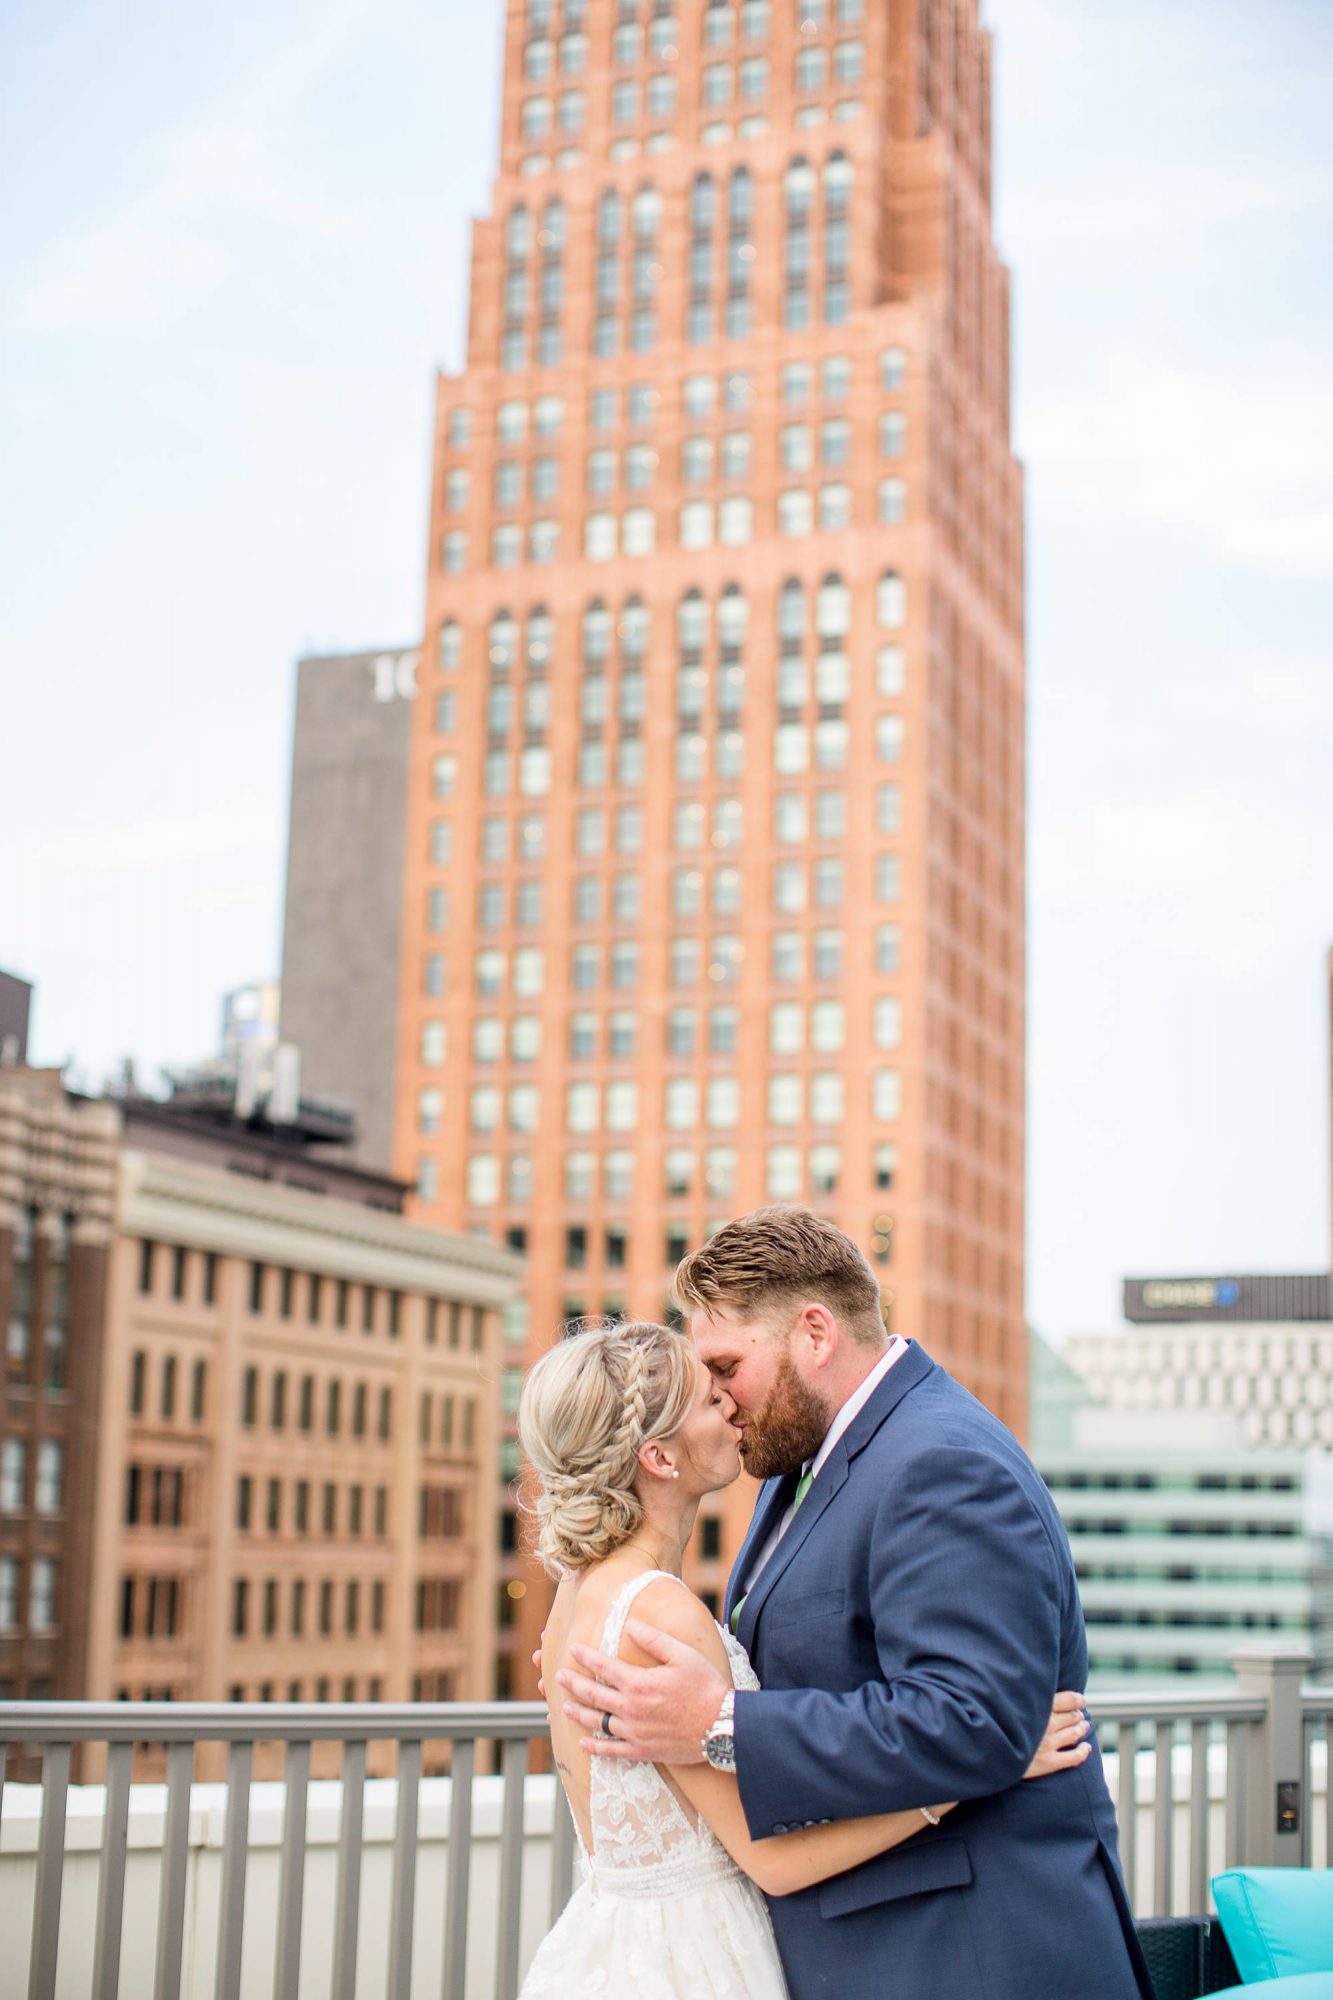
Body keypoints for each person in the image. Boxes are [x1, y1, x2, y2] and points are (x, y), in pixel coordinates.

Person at [557, 1209, 1155, 2000]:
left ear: (814, 1332)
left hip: (970, 1956)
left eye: (728, 1365)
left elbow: (975, 1719)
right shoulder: (795, 1465)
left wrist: (719, 1724)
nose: (722, 1400)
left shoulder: (939, 1462)